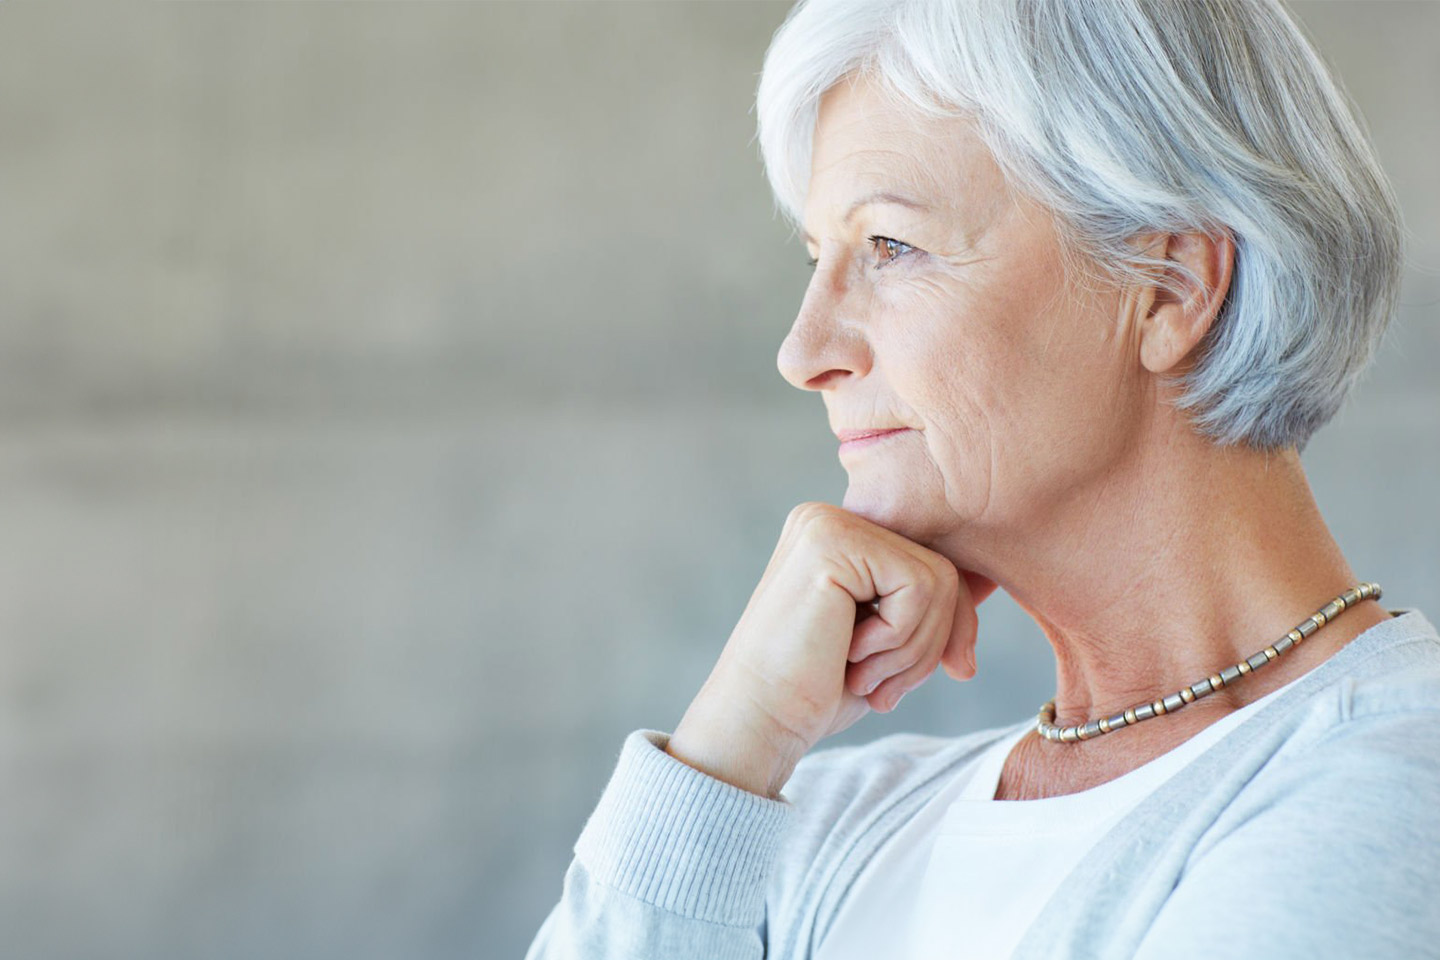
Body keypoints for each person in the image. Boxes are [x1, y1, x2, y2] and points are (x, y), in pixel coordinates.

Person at [525, 0, 1440, 957]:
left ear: (1169, 288)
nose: (803, 351)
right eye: (815, 257)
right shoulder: (813, 818)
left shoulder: (1387, 794)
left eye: (890, 247)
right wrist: (731, 741)